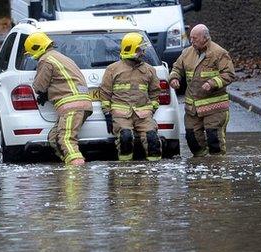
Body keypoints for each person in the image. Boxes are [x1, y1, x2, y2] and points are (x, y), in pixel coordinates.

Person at [24, 32, 93, 166]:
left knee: (66, 139)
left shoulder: (46, 60)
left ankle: (77, 173)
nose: (33, 58)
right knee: (54, 138)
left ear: (36, 49)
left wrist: (42, 93)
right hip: (79, 103)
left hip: (72, 104)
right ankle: (68, 168)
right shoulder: (60, 57)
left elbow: (39, 86)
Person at [169, 24, 236, 156]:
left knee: (214, 139)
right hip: (193, 108)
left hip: (214, 107)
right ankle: (200, 165)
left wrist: (212, 83)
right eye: (191, 38)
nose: (192, 41)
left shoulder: (219, 53)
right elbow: (177, 68)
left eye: (195, 39)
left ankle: (217, 167)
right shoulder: (187, 53)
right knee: (192, 139)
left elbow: (229, 74)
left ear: (205, 38)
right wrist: (174, 78)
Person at [99, 32, 162, 161]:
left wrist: (151, 109)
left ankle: (154, 174)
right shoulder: (112, 69)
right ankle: (125, 172)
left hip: (144, 116)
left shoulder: (149, 70)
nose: (143, 53)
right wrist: (107, 115)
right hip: (121, 116)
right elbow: (105, 93)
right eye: (140, 50)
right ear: (132, 50)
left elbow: (155, 93)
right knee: (125, 138)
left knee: (152, 139)